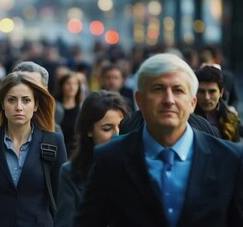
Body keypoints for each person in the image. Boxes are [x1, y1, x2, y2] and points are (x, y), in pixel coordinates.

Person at [74, 53, 243, 226]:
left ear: (192, 103)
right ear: (140, 100)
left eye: (178, 90)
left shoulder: (229, 159)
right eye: (158, 89)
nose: (169, 100)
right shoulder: (111, 159)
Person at [0, 72, 67, 227]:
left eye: (26, 100)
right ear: (2, 104)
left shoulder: (53, 142)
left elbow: (63, 200)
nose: (19, 107)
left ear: (36, 105)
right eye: (11, 100)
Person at [54, 90, 130, 227]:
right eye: (107, 129)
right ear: (89, 131)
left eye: (121, 127)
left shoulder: (140, 168)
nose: (117, 135)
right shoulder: (70, 172)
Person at [194, 65, 240, 142]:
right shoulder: (187, 117)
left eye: (212, 91)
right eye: (201, 91)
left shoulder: (231, 118)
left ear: (221, 92)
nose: (206, 97)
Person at [54, 72, 82, 155]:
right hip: (58, 151)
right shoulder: (54, 107)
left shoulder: (82, 108)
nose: (72, 87)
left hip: (77, 153)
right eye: (68, 83)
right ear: (62, 86)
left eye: (75, 84)